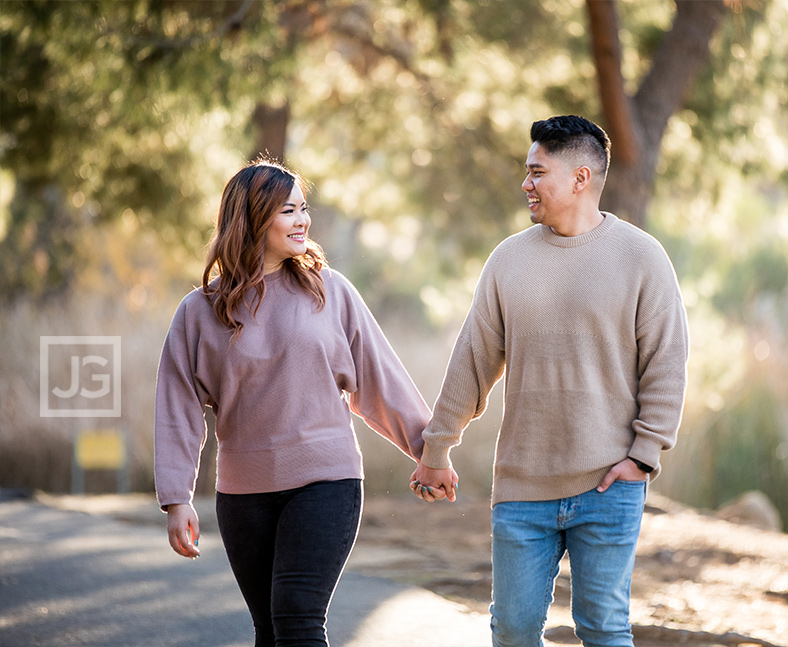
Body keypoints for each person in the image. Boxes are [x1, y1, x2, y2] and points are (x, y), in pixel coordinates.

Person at [410, 115, 689, 647]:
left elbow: (667, 362)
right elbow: (472, 360)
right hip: (522, 486)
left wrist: (645, 453)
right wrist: (437, 446)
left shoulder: (642, 258)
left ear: (580, 178)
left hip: (610, 483)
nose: (526, 184)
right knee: (512, 631)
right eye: (526, 171)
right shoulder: (508, 261)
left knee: (603, 628)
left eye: (537, 172)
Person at [154, 159, 431, 646]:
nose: (303, 220)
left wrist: (431, 452)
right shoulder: (199, 310)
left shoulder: (330, 290)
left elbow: (379, 378)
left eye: (305, 208)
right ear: (253, 218)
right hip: (243, 495)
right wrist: (177, 498)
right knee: (270, 631)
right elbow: (177, 407)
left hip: (326, 482)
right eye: (289, 210)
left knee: (298, 617)